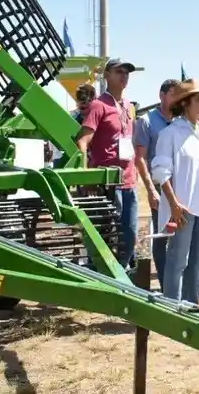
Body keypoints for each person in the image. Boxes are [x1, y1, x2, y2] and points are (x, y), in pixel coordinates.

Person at [150, 79, 199, 304]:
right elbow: (161, 173)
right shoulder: (170, 134)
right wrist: (174, 204)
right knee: (178, 259)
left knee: (198, 260)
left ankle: (191, 306)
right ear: (185, 104)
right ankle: (172, 306)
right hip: (182, 207)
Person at [76, 59, 139, 270]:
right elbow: (83, 141)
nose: (124, 75)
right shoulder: (99, 105)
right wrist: (85, 177)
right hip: (106, 183)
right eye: (119, 71)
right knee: (104, 236)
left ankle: (119, 274)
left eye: (127, 72)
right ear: (107, 75)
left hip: (129, 180)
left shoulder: (129, 106)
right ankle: (100, 276)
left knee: (129, 235)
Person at [133, 79, 179, 282]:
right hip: (160, 187)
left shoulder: (181, 122)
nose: (177, 99)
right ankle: (164, 283)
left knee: (181, 237)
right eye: (173, 94)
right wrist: (151, 190)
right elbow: (140, 158)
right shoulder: (147, 122)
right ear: (161, 95)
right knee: (162, 237)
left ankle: (178, 281)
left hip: (181, 186)